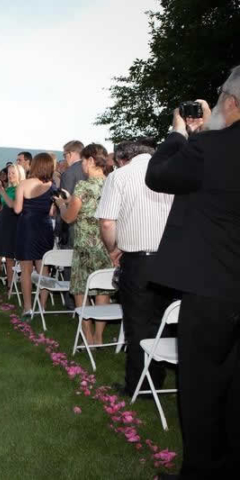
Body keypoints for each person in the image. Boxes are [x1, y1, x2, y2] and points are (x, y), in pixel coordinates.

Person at [145, 66, 240, 479]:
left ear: (231, 102)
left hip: (213, 287)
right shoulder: (213, 145)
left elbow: (158, 174)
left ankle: (202, 471)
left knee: (202, 386)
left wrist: (179, 133)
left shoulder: (212, 148)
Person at [95, 139, 172, 399]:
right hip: (172, 260)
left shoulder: (120, 176)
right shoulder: (172, 172)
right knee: (164, 322)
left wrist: (113, 249)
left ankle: (138, 386)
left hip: (138, 260)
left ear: (122, 159)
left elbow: (107, 223)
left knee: (138, 325)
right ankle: (158, 380)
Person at [54, 144, 114, 345]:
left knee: (80, 289)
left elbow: (70, 218)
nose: (82, 167)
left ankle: (87, 336)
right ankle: (98, 337)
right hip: (106, 245)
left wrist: (63, 205)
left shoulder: (83, 186)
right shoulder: (111, 184)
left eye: (83, 162)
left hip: (84, 247)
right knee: (103, 290)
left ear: (89, 160)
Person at [14, 153, 56, 316]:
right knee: (43, 267)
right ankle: (42, 307)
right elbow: (52, 212)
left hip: (27, 227)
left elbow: (17, 209)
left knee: (26, 269)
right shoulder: (52, 186)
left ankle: (27, 307)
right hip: (44, 227)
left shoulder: (24, 184)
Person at [0, 163, 25, 296]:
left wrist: (1, 190)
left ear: (20, 174)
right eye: (9, 173)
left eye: (13, 173)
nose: (10, 176)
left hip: (13, 223)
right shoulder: (9, 188)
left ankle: (11, 285)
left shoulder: (20, 188)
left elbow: (13, 205)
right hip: (2, 221)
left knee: (10, 256)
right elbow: (2, 206)